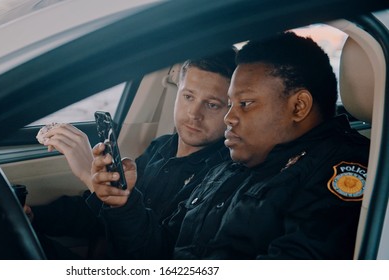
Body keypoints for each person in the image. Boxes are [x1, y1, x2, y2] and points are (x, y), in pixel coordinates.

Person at [90, 31, 370, 259]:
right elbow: (165, 251)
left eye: (245, 104)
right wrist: (125, 204)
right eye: (230, 104)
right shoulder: (236, 164)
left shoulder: (339, 172)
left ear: (298, 106)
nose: (228, 117)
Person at [25, 49, 237, 259]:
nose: (194, 113)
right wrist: (34, 217)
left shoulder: (223, 177)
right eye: (188, 96)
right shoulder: (161, 148)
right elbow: (96, 213)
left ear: (231, 110)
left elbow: (156, 256)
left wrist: (110, 192)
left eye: (211, 105)